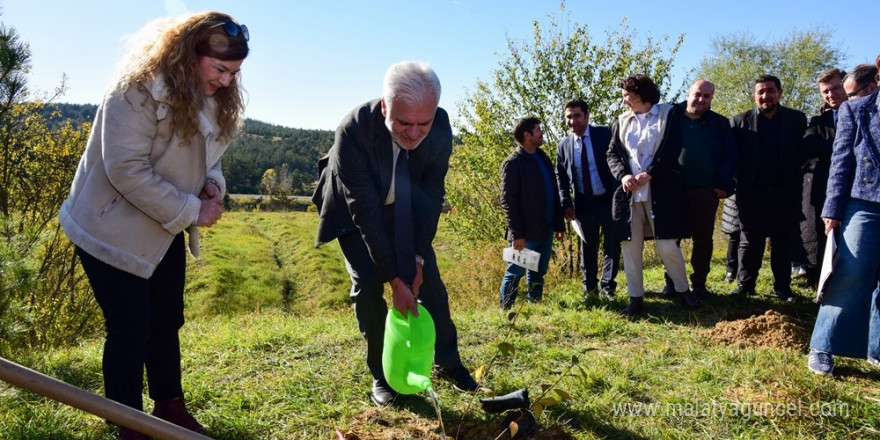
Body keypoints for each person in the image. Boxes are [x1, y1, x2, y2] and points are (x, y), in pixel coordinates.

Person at [58, 12, 249, 439]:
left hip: (162, 226)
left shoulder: (209, 95)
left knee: (166, 320)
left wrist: (211, 187)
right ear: (187, 53)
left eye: (234, 73)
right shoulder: (135, 91)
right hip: (107, 227)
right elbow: (124, 169)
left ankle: (170, 409)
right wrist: (191, 210)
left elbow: (208, 158)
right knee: (129, 327)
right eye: (219, 69)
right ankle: (129, 424)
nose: (226, 81)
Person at [312, 61, 479, 407]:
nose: (415, 133)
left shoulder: (441, 126)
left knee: (430, 281)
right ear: (386, 106)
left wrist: (417, 258)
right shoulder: (354, 130)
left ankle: (447, 361)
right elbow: (366, 214)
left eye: (424, 123)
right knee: (368, 286)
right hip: (355, 213)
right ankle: (383, 375)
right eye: (404, 123)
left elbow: (432, 195)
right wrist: (396, 281)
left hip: (404, 207)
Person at [806, 55, 880, 376]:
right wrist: (832, 210)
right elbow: (840, 163)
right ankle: (824, 344)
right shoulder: (856, 108)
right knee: (851, 271)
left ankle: (876, 349)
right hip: (862, 202)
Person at [606, 74, 697, 316]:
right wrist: (624, 176)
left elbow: (673, 149)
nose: (624, 101)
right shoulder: (621, 122)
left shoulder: (669, 116)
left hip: (662, 191)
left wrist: (651, 173)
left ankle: (683, 290)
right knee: (630, 247)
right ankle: (635, 298)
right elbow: (612, 154)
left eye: (627, 95)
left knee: (667, 245)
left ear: (641, 95)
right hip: (630, 195)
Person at [729, 75, 807, 301]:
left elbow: (804, 151)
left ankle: (782, 288)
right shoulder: (739, 122)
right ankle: (745, 286)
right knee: (749, 242)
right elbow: (732, 157)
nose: (765, 96)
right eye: (760, 92)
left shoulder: (796, 120)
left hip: (786, 192)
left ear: (780, 92)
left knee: (782, 241)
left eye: (770, 91)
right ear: (754, 95)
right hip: (751, 194)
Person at [661, 80, 736, 297]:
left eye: (707, 96)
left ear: (711, 99)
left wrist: (723, 183)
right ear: (688, 94)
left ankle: (699, 283)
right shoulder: (670, 117)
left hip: (706, 190)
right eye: (697, 94)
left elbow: (731, 154)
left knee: (703, 240)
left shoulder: (719, 123)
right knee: (671, 238)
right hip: (673, 190)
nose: (701, 99)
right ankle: (672, 283)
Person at [554, 100, 619, 300]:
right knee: (588, 246)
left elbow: (619, 159)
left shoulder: (604, 134)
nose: (572, 121)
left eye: (576, 116)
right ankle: (589, 288)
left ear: (587, 116)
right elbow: (561, 176)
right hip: (584, 203)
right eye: (568, 117)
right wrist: (566, 202)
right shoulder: (564, 145)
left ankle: (608, 287)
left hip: (609, 199)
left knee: (612, 244)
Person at [500, 117, 566, 309]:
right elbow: (508, 201)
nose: (542, 133)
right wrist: (517, 234)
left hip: (545, 228)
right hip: (525, 234)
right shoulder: (512, 163)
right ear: (527, 135)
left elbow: (553, 192)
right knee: (514, 273)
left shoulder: (543, 157)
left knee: (538, 271)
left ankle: (535, 308)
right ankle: (505, 312)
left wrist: (559, 225)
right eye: (538, 130)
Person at [793, 69, 848, 288]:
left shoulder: (868, 112)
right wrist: (841, 146)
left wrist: (827, 148)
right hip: (825, 188)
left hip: (859, 190)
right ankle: (821, 281)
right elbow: (806, 146)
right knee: (823, 236)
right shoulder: (819, 121)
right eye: (825, 91)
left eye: (835, 88)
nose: (831, 94)